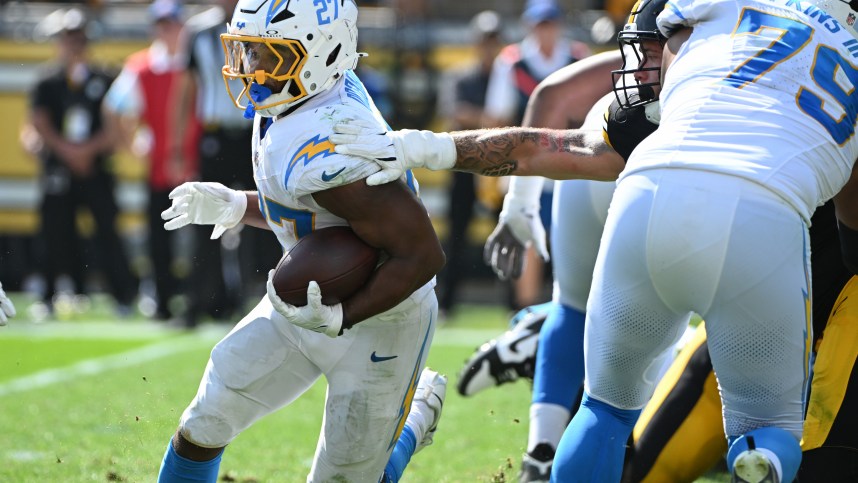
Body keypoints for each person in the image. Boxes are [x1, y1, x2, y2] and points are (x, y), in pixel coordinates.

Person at [330, 0, 858, 480]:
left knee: (603, 410)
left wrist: (417, 145)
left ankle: (549, 427)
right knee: (772, 427)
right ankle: (759, 456)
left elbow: (548, 144)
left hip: (647, 192)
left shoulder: (719, 14)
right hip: (764, 214)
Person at [156, 1, 447, 481]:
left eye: (269, 56)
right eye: (249, 52)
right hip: (304, 300)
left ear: (324, 54)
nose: (252, 70)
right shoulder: (290, 97)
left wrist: (344, 317)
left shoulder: (335, 141)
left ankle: (415, 418)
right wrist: (236, 204)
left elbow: (422, 253)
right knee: (204, 420)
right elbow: (305, 211)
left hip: (384, 318)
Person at [169, 0, 280, 327]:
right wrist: (177, 142)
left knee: (262, 215)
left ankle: (261, 297)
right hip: (215, 133)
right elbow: (187, 88)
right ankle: (202, 300)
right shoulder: (198, 30)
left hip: (253, 131)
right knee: (206, 214)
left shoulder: (261, 24)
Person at [483, 0, 592, 311]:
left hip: (570, 164)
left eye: (550, 24)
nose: (545, 31)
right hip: (528, 164)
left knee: (572, 239)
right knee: (526, 236)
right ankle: (526, 311)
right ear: (530, 26)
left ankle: (571, 308)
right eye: (540, 24)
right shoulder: (513, 61)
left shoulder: (576, 57)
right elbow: (497, 115)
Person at [28, 7, 136, 315]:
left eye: (79, 38)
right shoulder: (47, 80)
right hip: (59, 166)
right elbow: (40, 122)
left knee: (107, 231)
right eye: (68, 38)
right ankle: (48, 296)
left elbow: (117, 122)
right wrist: (68, 151)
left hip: (96, 167)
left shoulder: (105, 77)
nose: (74, 44)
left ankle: (123, 295)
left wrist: (87, 150)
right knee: (53, 231)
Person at [103, 0, 198, 321]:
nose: (167, 31)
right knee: (160, 237)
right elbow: (114, 106)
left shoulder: (195, 60)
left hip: (199, 161)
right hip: (161, 166)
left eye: (172, 24)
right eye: (162, 25)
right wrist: (130, 144)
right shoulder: (141, 66)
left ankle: (204, 297)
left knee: (206, 233)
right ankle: (163, 297)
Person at [434, 10, 504, 318]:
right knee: (456, 234)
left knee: (507, 231)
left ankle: (514, 301)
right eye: (485, 42)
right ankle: (447, 301)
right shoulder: (460, 75)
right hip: (466, 165)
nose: (489, 48)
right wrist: (488, 120)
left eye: (493, 42)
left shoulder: (507, 76)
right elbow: (454, 111)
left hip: (499, 167)